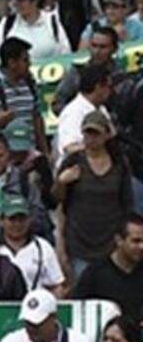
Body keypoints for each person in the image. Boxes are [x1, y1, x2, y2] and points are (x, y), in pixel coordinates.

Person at [54, 110, 134, 281]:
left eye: (96, 133)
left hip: (111, 242)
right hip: (79, 242)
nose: (91, 138)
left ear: (106, 135)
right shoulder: (73, 161)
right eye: (87, 133)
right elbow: (57, 200)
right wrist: (62, 182)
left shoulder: (119, 163)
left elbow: (127, 202)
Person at [72, 214, 143, 326]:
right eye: (136, 241)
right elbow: (77, 310)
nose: (141, 247)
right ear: (119, 240)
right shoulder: (95, 274)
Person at [0, 195, 64, 295]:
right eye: (12, 219)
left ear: (29, 220)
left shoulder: (43, 247)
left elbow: (57, 285)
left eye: (22, 219)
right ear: (1, 221)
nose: (17, 224)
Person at [55, 62, 115, 164]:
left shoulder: (101, 109)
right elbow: (70, 147)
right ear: (98, 87)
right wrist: (96, 146)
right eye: (108, 86)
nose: (111, 91)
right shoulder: (74, 112)